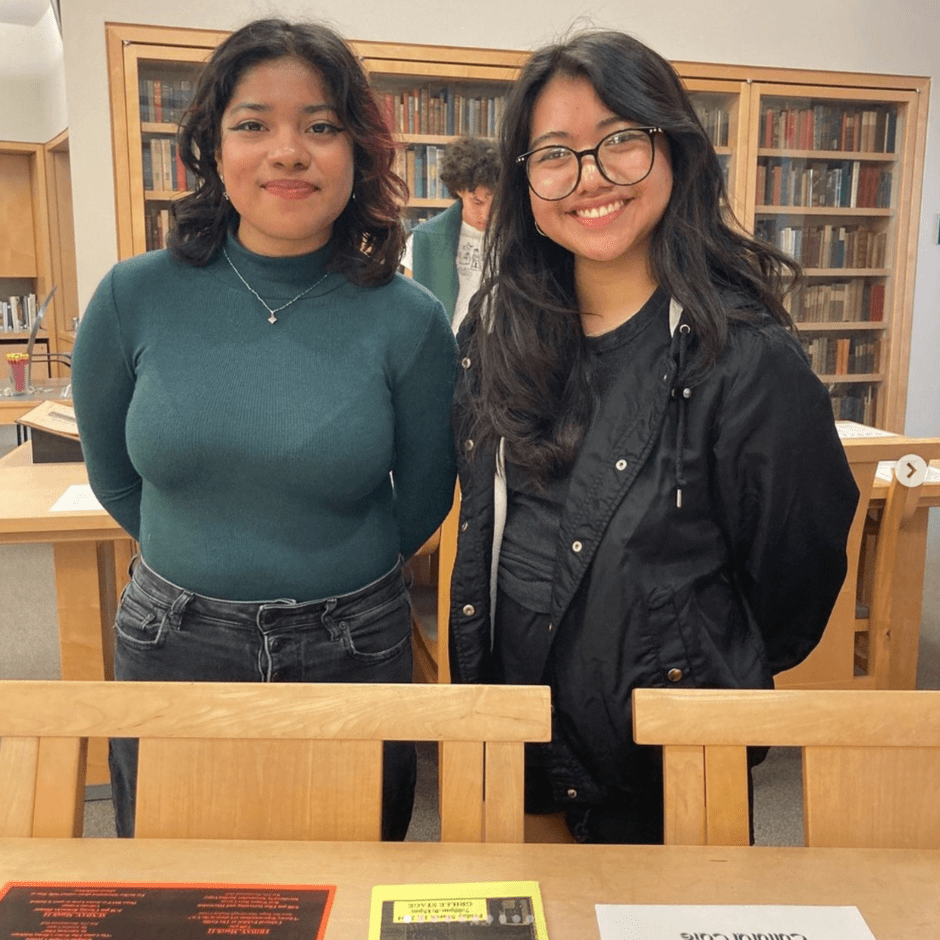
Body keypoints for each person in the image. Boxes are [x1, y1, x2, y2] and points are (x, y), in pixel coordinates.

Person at [447, 30, 858, 844]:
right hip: (512, 742)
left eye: (620, 141)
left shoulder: (744, 359)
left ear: (674, 150)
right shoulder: (497, 336)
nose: (590, 177)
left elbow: (794, 584)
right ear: (525, 179)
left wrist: (688, 656)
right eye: (554, 153)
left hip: (667, 765)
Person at [71, 17, 457, 840]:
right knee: (173, 888)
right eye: (254, 124)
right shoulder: (131, 298)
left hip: (354, 643)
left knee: (351, 879)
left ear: (359, 153)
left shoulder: (410, 320)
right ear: (211, 148)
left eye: (321, 126)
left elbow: (423, 497)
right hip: (172, 638)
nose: (289, 151)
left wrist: (327, 574)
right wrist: (205, 560)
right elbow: (111, 472)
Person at [401, 136, 498, 333]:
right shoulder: (424, 240)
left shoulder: (518, 240)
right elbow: (406, 311)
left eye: (496, 203)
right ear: (460, 190)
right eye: (477, 202)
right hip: (443, 353)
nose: (486, 214)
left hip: (500, 356)